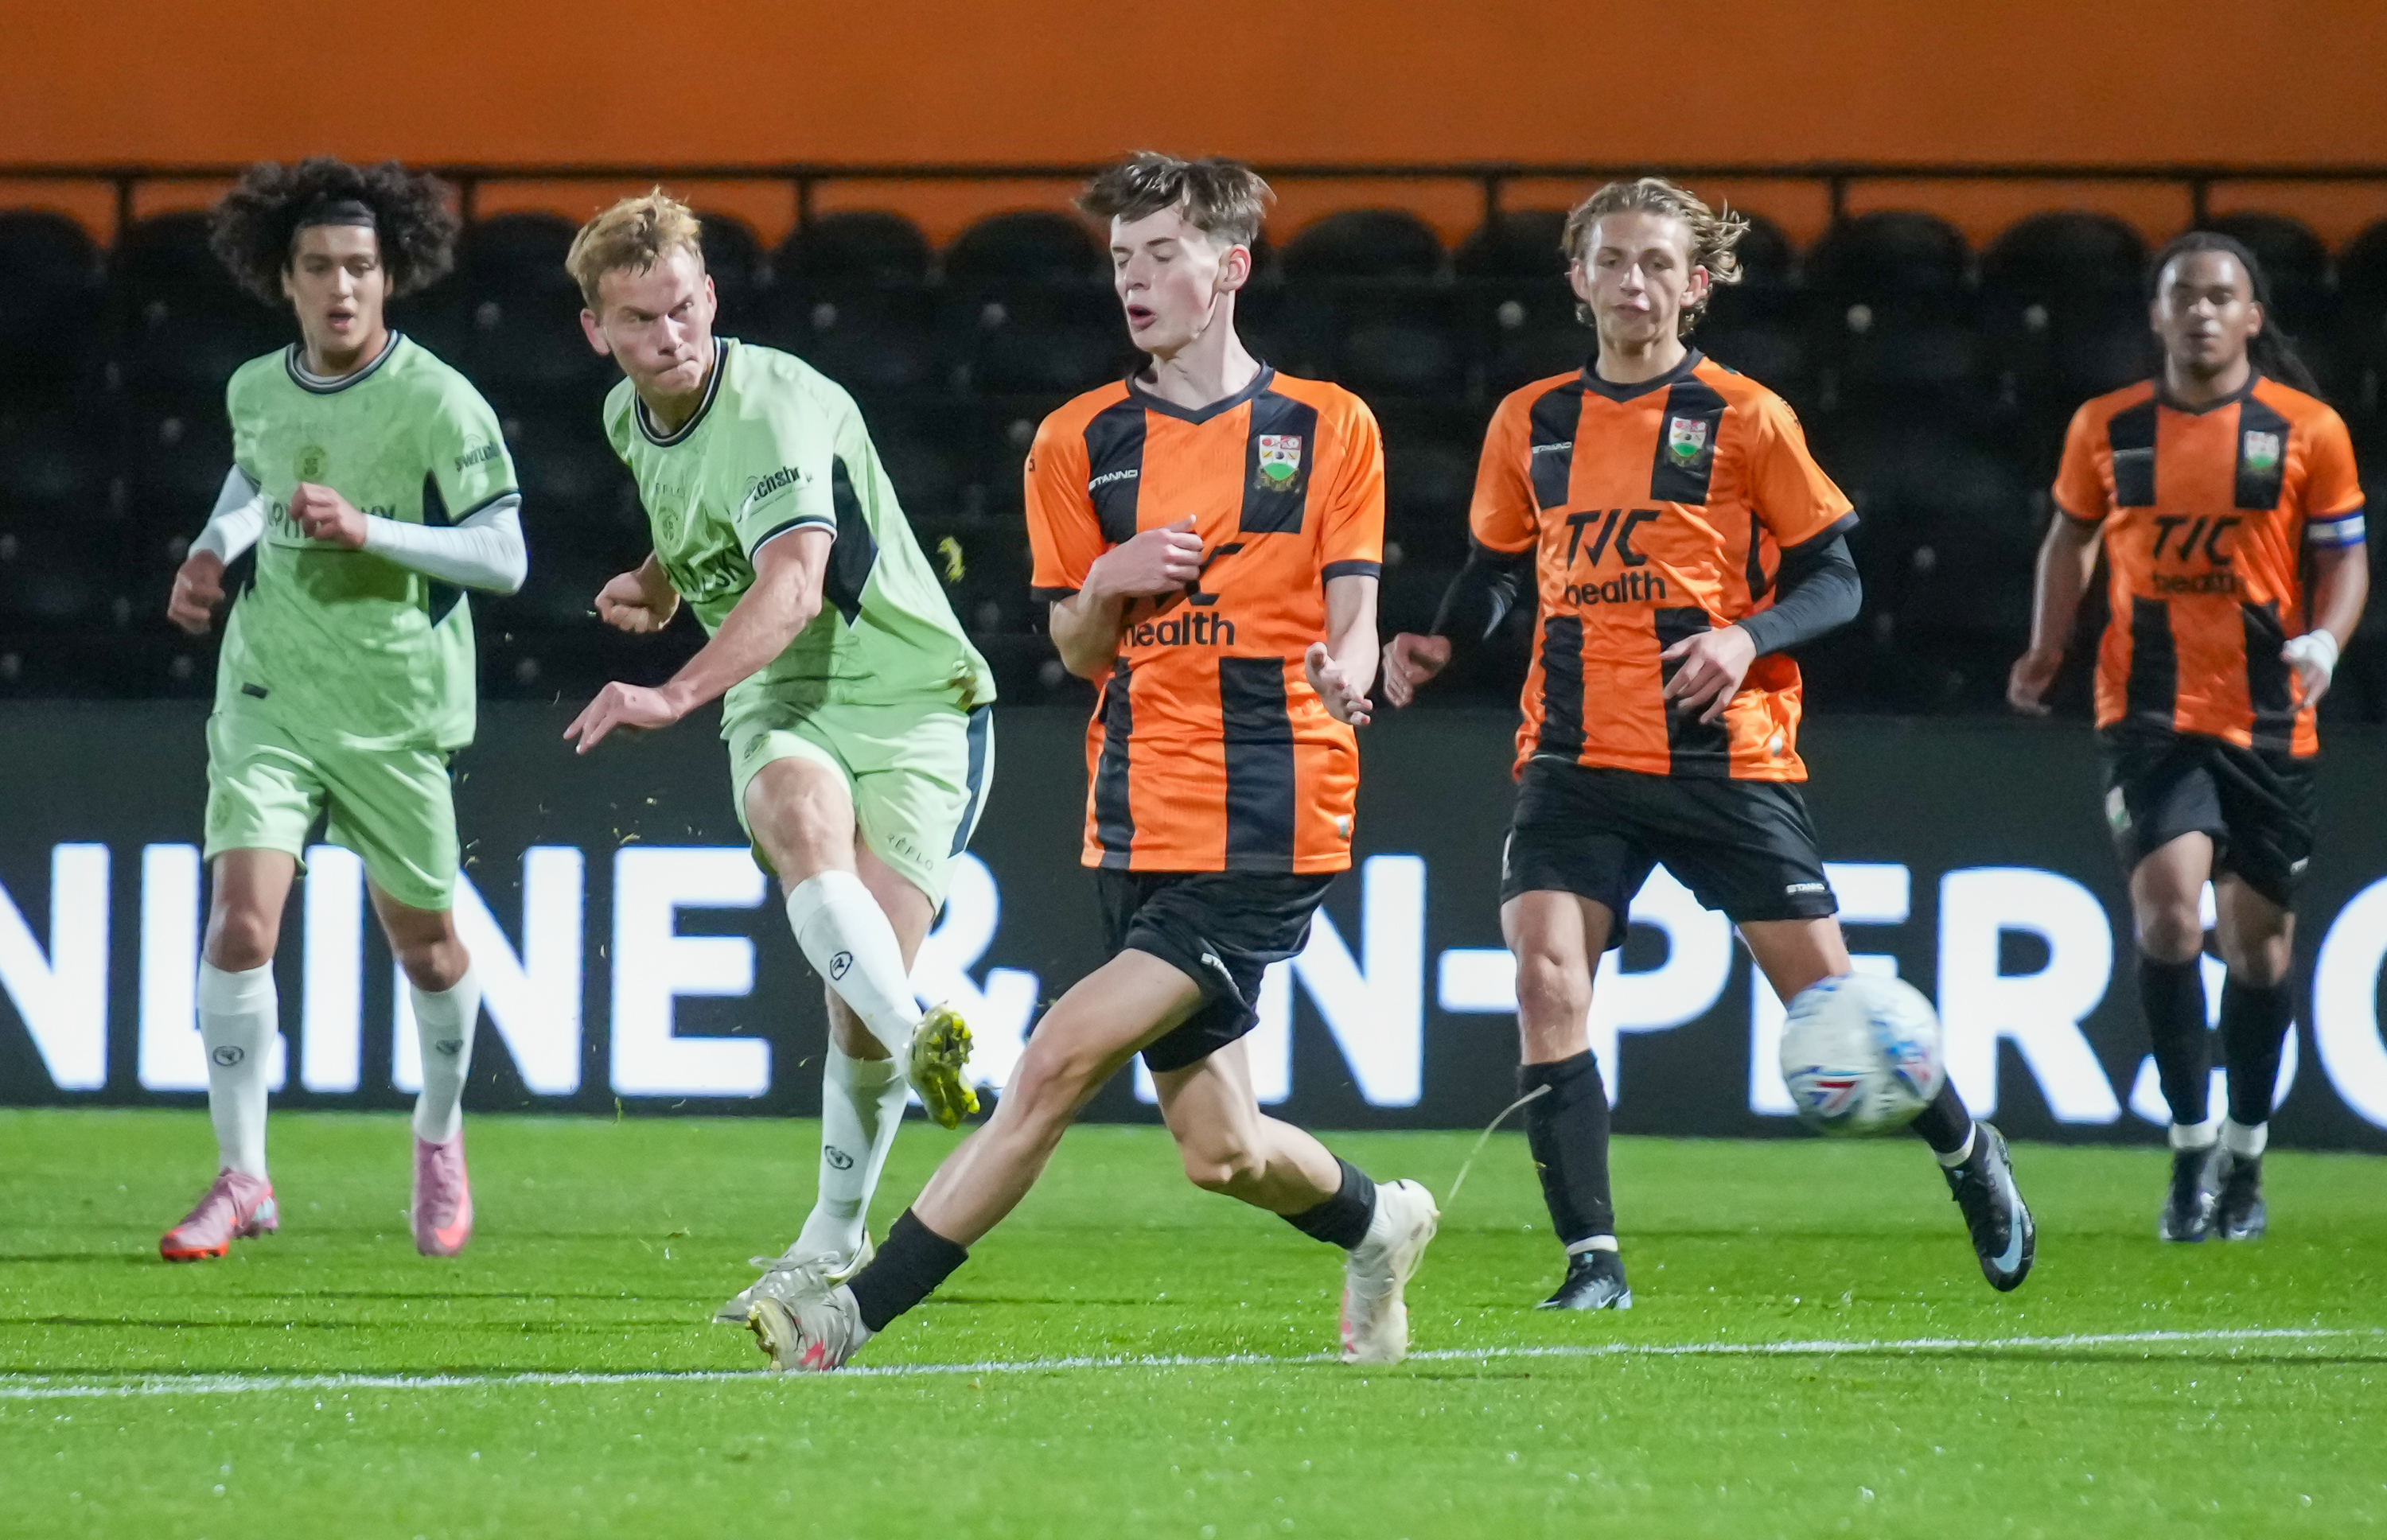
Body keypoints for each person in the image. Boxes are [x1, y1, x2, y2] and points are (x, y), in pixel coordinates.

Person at [742, 152, 1437, 1374]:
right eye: (1122, 259)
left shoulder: (1331, 426)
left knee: (1054, 1060)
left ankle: (846, 1316)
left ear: (1231, 267)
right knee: (1222, 1150)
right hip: (1137, 816)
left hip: (1271, 812)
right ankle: (1380, 1221)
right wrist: (1109, 583)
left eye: (1163, 254)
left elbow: (1357, 618)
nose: (1135, 279)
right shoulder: (1077, 439)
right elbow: (1074, 645)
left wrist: (1349, 670)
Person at [1383, 177, 2035, 1305]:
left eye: (1657, 263)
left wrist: (1745, 636)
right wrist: (1445, 641)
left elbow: (1837, 577)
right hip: (1574, 753)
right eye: (1611, 260)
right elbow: (1497, 570)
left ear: (1697, 283)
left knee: (1835, 1011)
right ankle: (1593, 1260)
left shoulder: (1747, 416)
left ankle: (1967, 1150)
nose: (1633, 281)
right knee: (1544, 979)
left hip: (1718, 751)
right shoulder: (1530, 419)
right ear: (1577, 277)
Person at [559, 192, 995, 1321]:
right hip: (781, 694)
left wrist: (672, 690)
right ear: (598, 331)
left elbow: (794, 584)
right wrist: (657, 582)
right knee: (800, 819)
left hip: (915, 697)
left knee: (854, 1004)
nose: (671, 335)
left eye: (685, 307)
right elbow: (692, 506)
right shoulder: (627, 416)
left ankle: (836, 1230)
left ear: (711, 297)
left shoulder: (776, 404)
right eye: (641, 319)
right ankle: (918, 1034)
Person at [158, 158, 528, 1262]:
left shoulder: (438, 400)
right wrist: (212, 549)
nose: (341, 287)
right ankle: (243, 1176)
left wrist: (374, 531)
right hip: (270, 690)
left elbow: (506, 556)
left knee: (430, 950)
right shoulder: (254, 388)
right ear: (285, 279)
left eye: (360, 266)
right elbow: (255, 479)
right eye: (318, 267)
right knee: (240, 924)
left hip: (394, 709)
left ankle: (439, 1134)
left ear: (390, 275)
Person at [2009, 231, 2366, 1242]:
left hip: (2269, 718)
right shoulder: (2107, 427)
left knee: (2258, 951)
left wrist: (2326, 641)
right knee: (2167, 919)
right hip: (2148, 711)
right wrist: (2047, 647)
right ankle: (2190, 1148)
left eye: (2220, 296)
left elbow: (2345, 558)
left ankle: (2246, 1158)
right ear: (2157, 316)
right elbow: (2071, 537)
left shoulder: (2308, 431)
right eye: (2184, 297)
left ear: (2253, 316)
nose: (2202, 311)